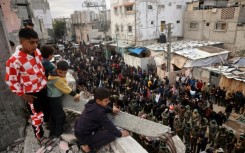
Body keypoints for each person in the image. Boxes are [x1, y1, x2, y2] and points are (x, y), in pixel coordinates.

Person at [5, 28, 50, 145]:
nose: (35, 45)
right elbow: (11, 80)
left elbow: (40, 68)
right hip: (31, 94)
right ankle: (40, 137)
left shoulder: (37, 52)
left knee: (45, 111)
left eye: (36, 42)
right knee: (36, 115)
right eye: (31, 42)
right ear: (21, 42)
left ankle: (46, 126)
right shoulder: (14, 60)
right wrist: (23, 95)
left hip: (43, 88)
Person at [74, 87, 129, 153]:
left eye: (108, 100)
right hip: (84, 137)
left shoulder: (91, 102)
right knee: (112, 135)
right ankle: (87, 147)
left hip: (78, 131)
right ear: (98, 101)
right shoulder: (99, 112)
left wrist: (111, 109)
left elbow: (102, 106)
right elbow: (108, 124)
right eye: (106, 101)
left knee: (103, 129)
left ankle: (87, 142)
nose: (108, 102)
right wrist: (120, 134)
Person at [47, 60, 80, 139]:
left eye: (64, 73)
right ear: (56, 69)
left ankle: (52, 132)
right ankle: (58, 133)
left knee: (54, 116)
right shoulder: (57, 79)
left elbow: (64, 84)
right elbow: (65, 88)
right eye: (60, 72)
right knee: (60, 116)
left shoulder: (53, 74)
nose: (62, 75)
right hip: (54, 99)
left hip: (52, 97)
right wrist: (75, 94)